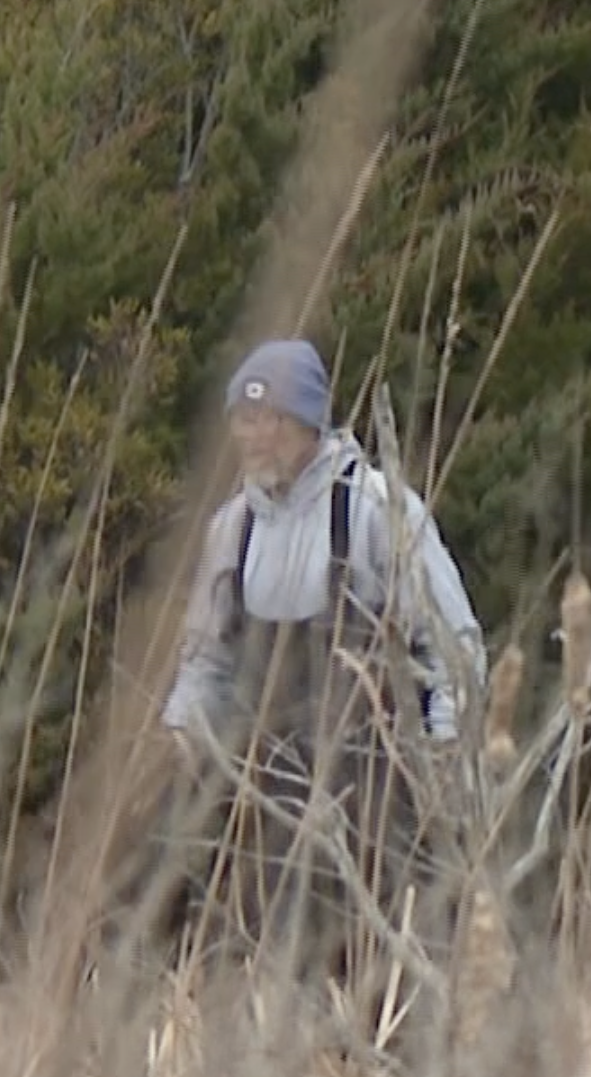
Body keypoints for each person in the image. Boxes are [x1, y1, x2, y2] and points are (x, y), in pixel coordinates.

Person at [153, 337, 486, 963]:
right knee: (260, 964)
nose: (253, 436)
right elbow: (207, 662)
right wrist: (184, 740)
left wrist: (444, 759)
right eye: (243, 420)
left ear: (308, 422)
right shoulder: (233, 529)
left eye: (269, 420)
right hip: (267, 800)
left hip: (381, 800)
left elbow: (455, 649)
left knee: (385, 972)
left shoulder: (376, 512)